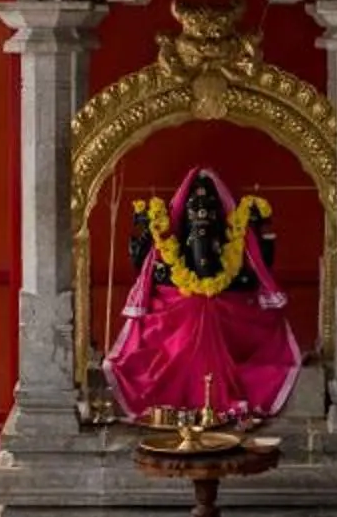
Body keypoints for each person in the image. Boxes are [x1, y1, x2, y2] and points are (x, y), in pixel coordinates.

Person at [104, 164, 302, 421]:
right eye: (195, 209)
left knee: (209, 307)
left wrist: (253, 242)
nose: (201, 214)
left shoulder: (231, 241)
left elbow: (249, 276)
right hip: (181, 303)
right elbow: (154, 272)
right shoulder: (171, 241)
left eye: (208, 208)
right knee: (194, 309)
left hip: (224, 301)